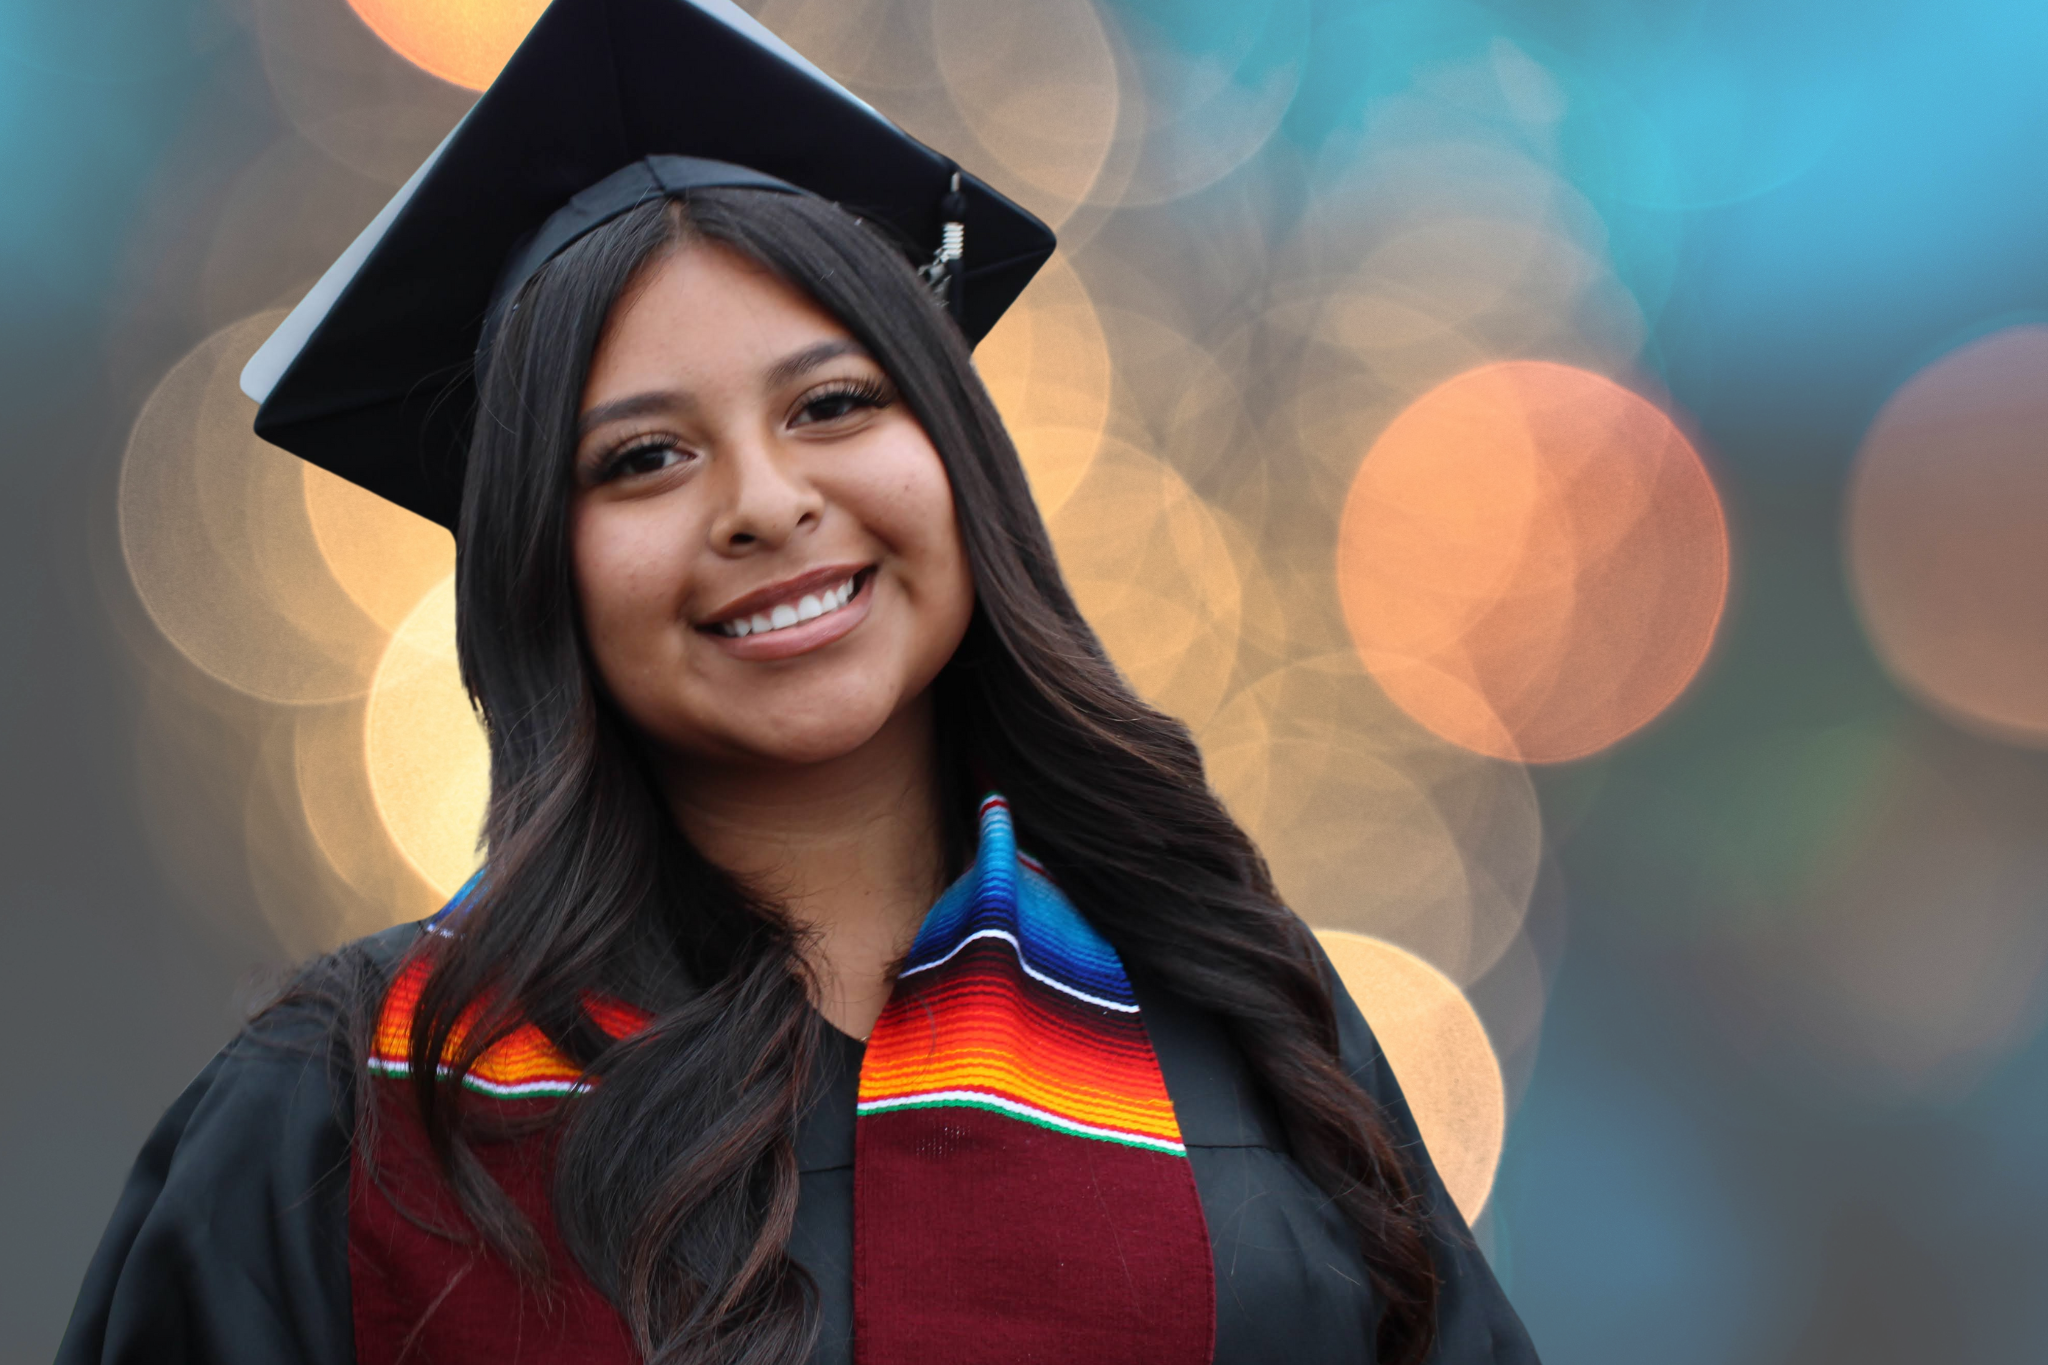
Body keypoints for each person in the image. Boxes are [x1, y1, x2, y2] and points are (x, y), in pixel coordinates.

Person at [58, 1, 1541, 1362]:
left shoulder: (1243, 1025)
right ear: (537, 564)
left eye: (832, 404)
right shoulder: (362, 1113)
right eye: (643, 458)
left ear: (956, 457)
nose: (764, 504)